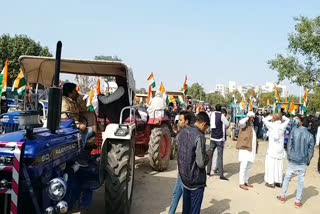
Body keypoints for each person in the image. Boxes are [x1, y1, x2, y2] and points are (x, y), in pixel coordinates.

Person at [277, 117, 315, 208]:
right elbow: (311, 151)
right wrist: (308, 161)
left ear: (301, 123)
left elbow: (289, 144)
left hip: (293, 159)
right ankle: (297, 202)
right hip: (303, 161)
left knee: (287, 178)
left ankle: (282, 197)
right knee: (300, 181)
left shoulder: (294, 131)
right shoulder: (310, 136)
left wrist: (289, 155)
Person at [177, 112, 210, 214]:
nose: (206, 130)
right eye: (206, 127)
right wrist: (208, 156)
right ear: (203, 124)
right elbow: (200, 163)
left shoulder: (182, 132)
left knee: (186, 209)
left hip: (184, 178)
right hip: (196, 180)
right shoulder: (199, 137)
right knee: (194, 210)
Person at [61, 83, 93, 166]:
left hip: (74, 126)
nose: (77, 92)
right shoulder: (64, 102)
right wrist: (78, 125)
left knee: (89, 130)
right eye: (75, 91)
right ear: (70, 92)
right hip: (68, 127)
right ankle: (79, 154)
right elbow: (64, 119)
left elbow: (84, 109)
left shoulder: (73, 102)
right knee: (88, 131)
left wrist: (80, 98)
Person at [168, 110, 191, 214]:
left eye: (181, 120)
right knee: (176, 193)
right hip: (181, 170)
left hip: (185, 171)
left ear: (186, 121)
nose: (179, 122)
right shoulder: (184, 132)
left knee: (184, 197)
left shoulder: (187, 134)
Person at [263, 113, 290, 188]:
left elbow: (264, 120)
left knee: (271, 165)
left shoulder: (271, 125)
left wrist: (269, 116)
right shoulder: (282, 125)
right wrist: (283, 117)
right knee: (279, 165)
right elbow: (288, 120)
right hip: (280, 149)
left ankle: (271, 182)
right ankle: (279, 181)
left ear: (273, 118)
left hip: (272, 149)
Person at [207, 104, 230, 180]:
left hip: (212, 137)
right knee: (220, 157)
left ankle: (208, 172)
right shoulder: (222, 116)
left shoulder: (212, 114)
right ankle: (221, 175)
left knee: (210, 155)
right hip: (220, 139)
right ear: (220, 109)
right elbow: (227, 124)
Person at [236, 111, 257, 190]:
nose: (252, 119)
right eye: (251, 117)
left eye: (253, 117)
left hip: (251, 149)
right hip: (245, 149)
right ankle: (241, 183)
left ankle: (246, 181)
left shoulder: (251, 126)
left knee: (249, 166)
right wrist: (247, 117)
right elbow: (240, 122)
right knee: (243, 166)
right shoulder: (244, 124)